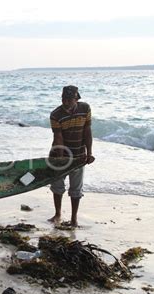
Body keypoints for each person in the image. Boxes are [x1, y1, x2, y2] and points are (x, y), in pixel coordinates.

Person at [48, 85, 95, 227]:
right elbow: (58, 137)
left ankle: (74, 219)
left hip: (79, 155)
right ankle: (58, 214)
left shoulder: (85, 109)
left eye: (69, 99)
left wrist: (90, 153)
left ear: (76, 99)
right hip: (59, 154)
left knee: (76, 189)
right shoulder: (55, 114)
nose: (66, 102)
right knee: (57, 186)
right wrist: (61, 159)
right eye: (64, 99)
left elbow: (87, 131)